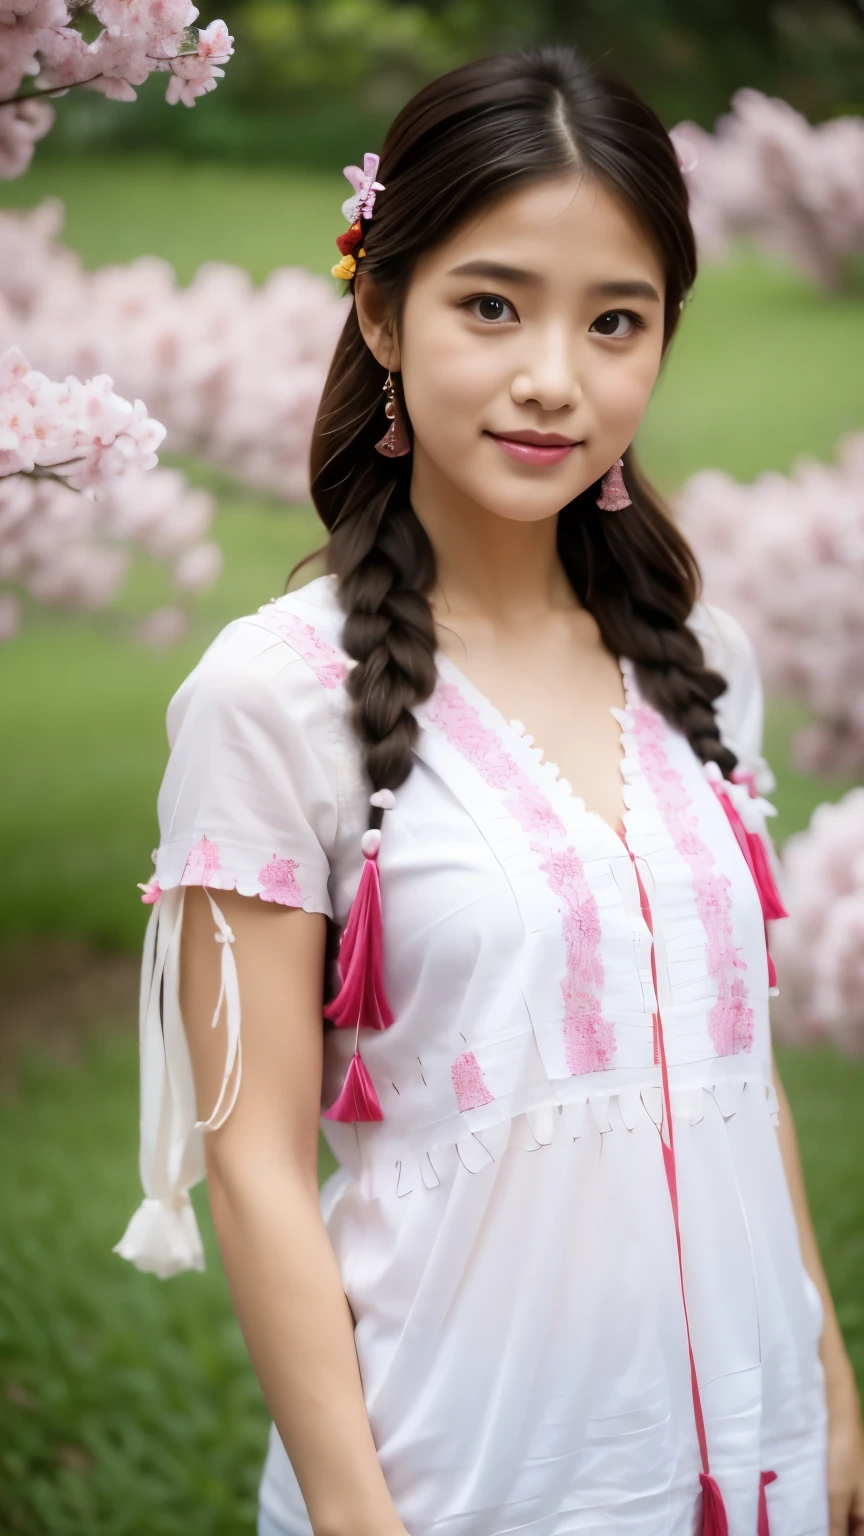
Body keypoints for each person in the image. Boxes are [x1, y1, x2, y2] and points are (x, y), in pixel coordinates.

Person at [115, 45, 864, 1536]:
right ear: (382, 309)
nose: (553, 377)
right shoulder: (273, 699)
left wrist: (832, 1385)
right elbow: (254, 1164)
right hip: (467, 1479)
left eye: (616, 322)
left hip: (758, 1450)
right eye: (491, 304)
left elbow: (734, 1062)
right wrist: (359, 1518)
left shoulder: (699, 660)